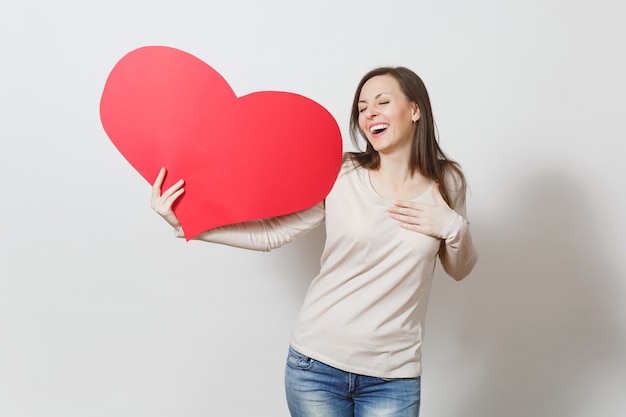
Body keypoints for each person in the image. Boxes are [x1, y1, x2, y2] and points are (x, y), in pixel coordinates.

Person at [151, 66, 478, 417]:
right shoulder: (343, 174)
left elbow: (458, 269)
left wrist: (453, 226)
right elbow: (273, 233)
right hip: (316, 367)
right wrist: (189, 222)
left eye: (382, 102)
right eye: (362, 108)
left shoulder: (448, 182)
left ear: (415, 110)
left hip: (393, 376)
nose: (370, 113)